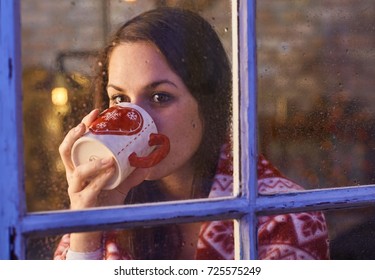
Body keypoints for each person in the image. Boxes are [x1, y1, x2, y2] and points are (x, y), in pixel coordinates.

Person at [54, 7, 329, 260]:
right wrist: (86, 230)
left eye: (160, 97)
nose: (134, 119)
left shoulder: (281, 217)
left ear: (208, 104)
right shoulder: (103, 200)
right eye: (119, 99)